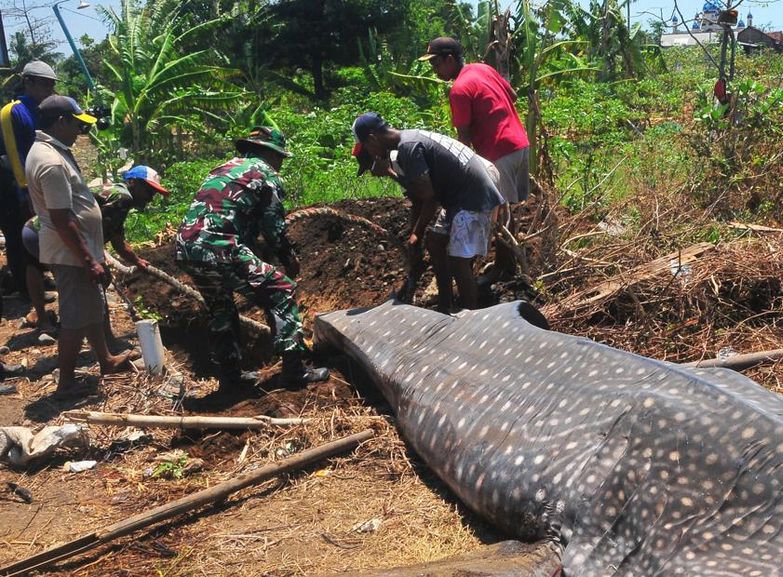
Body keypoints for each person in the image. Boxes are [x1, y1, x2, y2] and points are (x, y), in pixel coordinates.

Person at [175, 127, 326, 394]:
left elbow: (234, 216)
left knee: (221, 309)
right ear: (271, 152)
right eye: (280, 156)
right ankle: (294, 371)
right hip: (219, 247)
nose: (280, 162)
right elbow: (273, 228)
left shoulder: (222, 169)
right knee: (282, 291)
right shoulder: (266, 174)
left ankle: (230, 377)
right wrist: (288, 258)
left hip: (188, 248)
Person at [25, 95, 131, 398]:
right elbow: (61, 218)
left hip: (74, 249)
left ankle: (106, 360)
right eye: (76, 124)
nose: (79, 132)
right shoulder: (51, 162)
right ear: (61, 121)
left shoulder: (49, 150)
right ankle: (66, 383)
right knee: (74, 317)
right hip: (70, 252)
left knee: (92, 307)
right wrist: (89, 259)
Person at [352, 112, 506, 313]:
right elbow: (419, 199)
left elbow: (428, 197)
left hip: (472, 195)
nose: (373, 154)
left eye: (369, 150)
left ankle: (470, 316)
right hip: (460, 195)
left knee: (458, 261)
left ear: (372, 139)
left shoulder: (407, 148)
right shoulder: (407, 140)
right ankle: (445, 306)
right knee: (434, 242)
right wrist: (416, 234)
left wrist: (390, 174)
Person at [420, 37, 530, 279]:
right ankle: (505, 263)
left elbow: (464, 139)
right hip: (520, 144)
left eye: (436, 64)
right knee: (507, 208)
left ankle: (503, 268)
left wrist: (458, 175)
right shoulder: (483, 68)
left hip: (499, 153)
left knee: (496, 211)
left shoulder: (459, 89)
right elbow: (512, 95)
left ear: (450, 59)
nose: (434, 70)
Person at [22, 165, 169, 339]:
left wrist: (136, 260)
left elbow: (116, 239)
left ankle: (46, 320)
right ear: (134, 183)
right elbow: (92, 232)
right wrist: (95, 262)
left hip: (33, 229)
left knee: (40, 269)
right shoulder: (123, 199)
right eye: (149, 190)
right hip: (48, 235)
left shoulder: (116, 192)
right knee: (87, 281)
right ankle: (100, 339)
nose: (151, 197)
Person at [0, 61, 58, 300]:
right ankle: (25, 289)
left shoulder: (41, 110)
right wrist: (25, 191)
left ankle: (37, 279)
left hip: (32, 185)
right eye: (44, 83)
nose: (48, 89)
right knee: (16, 235)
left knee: (35, 233)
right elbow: (14, 155)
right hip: (11, 187)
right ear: (28, 82)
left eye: (51, 85)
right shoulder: (12, 111)